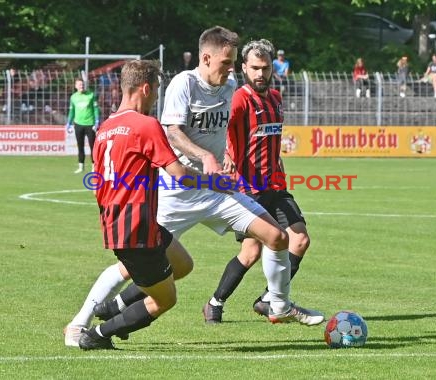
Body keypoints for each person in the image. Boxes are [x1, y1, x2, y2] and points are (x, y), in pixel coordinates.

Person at [64, 26, 322, 347]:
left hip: (215, 189)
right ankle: (80, 322)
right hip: (177, 193)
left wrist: (224, 155)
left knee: (278, 236)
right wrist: (204, 157)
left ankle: (279, 305)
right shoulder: (183, 84)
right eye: (226, 62)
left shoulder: (229, 86)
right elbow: (173, 132)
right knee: (148, 267)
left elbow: (224, 129)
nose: (231, 69)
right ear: (206, 57)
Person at [78, 59, 229, 350]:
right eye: (157, 91)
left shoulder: (105, 128)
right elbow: (180, 175)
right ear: (145, 88)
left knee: (182, 265)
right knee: (165, 300)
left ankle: (115, 306)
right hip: (137, 230)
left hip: (128, 224)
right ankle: (98, 335)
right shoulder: (146, 125)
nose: (157, 98)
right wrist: (216, 182)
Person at [202, 38, 323, 325]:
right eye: (254, 68)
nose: (260, 74)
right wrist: (226, 155)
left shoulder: (276, 99)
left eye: (265, 68)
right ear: (243, 68)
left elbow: (271, 139)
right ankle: (214, 303)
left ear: (272, 68)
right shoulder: (239, 99)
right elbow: (221, 129)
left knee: (300, 239)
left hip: (275, 185)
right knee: (251, 251)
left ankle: (269, 299)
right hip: (248, 188)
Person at [65, 78, 100, 173]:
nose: (82, 86)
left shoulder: (91, 95)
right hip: (78, 124)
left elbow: (96, 109)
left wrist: (97, 121)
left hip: (90, 124)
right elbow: (71, 111)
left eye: (83, 84)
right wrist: (69, 122)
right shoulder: (73, 97)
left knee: (93, 146)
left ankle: (94, 166)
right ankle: (81, 166)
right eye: (80, 84)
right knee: (80, 146)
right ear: (76, 86)